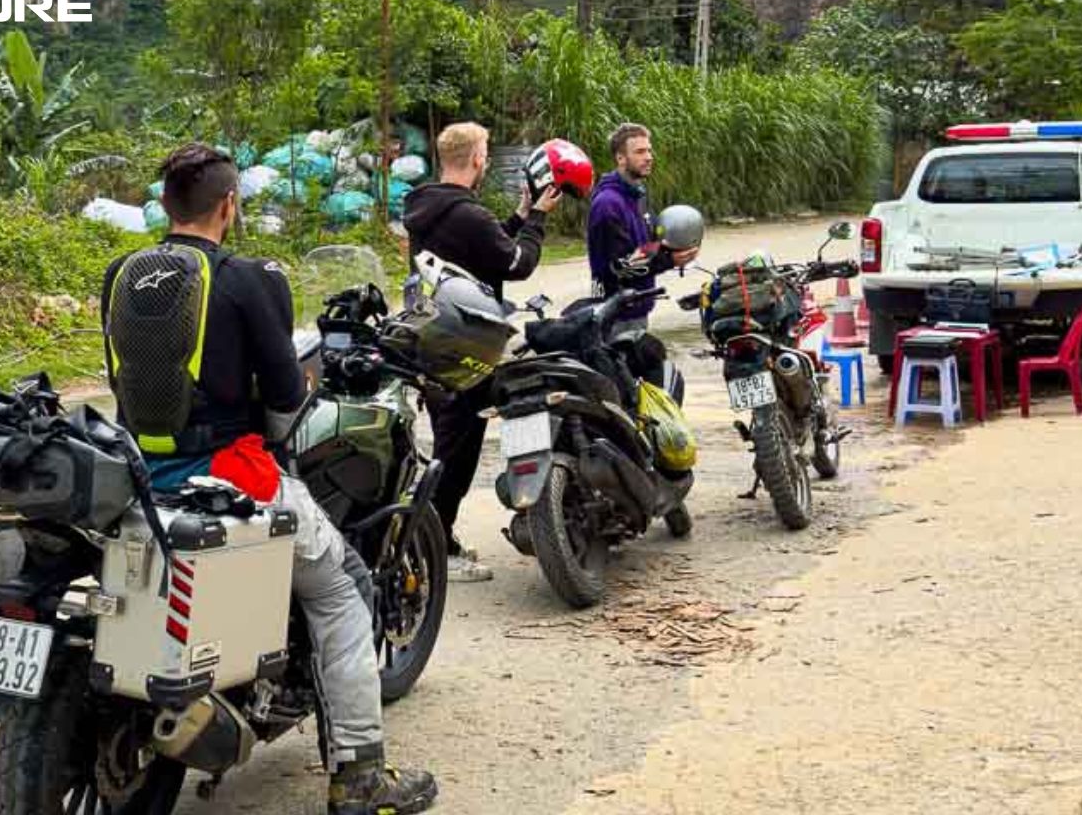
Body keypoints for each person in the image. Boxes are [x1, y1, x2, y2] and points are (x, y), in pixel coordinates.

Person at [100, 144, 438, 815]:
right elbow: (287, 398)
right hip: (224, 472)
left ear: (165, 207)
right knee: (345, 587)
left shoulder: (120, 272)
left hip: (134, 473)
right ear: (229, 205)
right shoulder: (247, 278)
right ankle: (360, 776)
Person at [401, 122, 563, 583]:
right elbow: (516, 264)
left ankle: (437, 539)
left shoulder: (427, 207)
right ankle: (431, 552)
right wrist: (537, 219)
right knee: (455, 455)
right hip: (464, 345)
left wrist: (515, 218)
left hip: (431, 338)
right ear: (476, 159)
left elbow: (481, 253)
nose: (488, 159)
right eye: (486, 152)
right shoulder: (467, 214)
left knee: (448, 445)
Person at [586, 122, 700, 335]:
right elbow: (620, 268)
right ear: (621, 158)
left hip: (636, 311)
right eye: (639, 151)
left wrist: (669, 248)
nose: (648, 157)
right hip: (615, 316)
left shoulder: (638, 194)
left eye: (649, 150)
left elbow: (646, 245)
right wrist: (670, 260)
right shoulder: (607, 204)